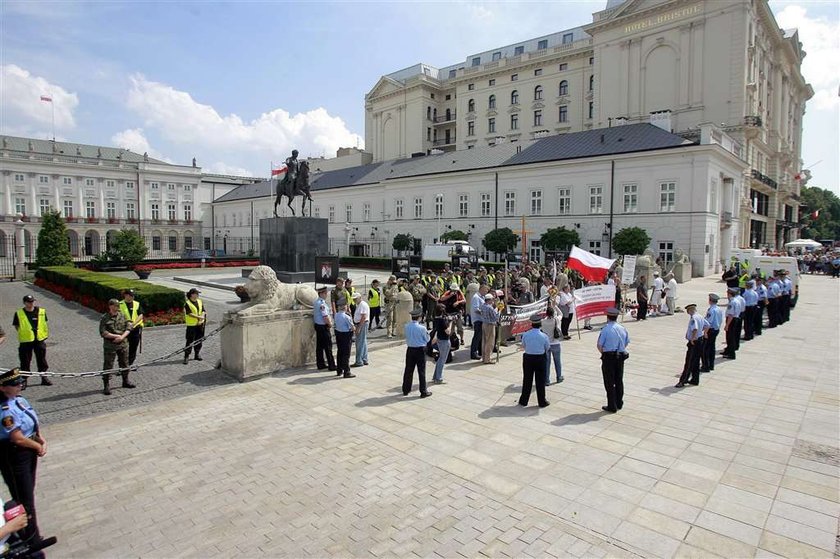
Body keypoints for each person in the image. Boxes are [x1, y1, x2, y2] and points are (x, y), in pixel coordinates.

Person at [0, 368, 46, 544]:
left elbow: (31, 420)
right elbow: (16, 438)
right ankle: (31, 537)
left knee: (27, 491)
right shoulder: (5, 410)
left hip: (29, 449)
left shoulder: (19, 400)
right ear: (3, 388)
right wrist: (36, 445)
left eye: (19, 382)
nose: (19, 385)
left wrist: (40, 439)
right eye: (14, 384)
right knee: (23, 496)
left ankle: (27, 529)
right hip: (14, 454)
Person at [12, 295, 52, 387]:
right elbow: (16, 326)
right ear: (24, 303)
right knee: (25, 361)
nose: (31, 303)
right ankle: (24, 379)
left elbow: (44, 323)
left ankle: (43, 377)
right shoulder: (19, 313)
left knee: (42, 360)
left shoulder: (41, 311)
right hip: (26, 340)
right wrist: (25, 332)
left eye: (32, 301)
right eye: (29, 302)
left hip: (39, 339)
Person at [596, 307, 629, 413]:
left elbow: (599, 345)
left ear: (607, 317)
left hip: (609, 357)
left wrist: (604, 353)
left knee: (609, 382)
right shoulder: (622, 328)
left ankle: (612, 405)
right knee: (619, 380)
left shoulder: (605, 329)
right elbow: (626, 342)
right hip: (620, 357)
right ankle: (619, 402)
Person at [100, 298, 136, 395]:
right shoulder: (105, 318)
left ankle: (125, 381)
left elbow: (129, 327)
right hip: (110, 346)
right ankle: (106, 385)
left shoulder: (122, 315)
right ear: (110, 306)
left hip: (123, 344)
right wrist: (116, 336)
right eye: (115, 306)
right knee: (108, 365)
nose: (117, 307)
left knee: (124, 363)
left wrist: (122, 337)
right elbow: (103, 332)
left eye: (118, 306)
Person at [518, 315, 550, 408]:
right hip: (540, 358)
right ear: (540, 324)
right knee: (540, 381)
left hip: (528, 358)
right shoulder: (544, 336)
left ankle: (524, 400)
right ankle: (542, 401)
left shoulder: (526, 334)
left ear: (531, 324)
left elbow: (523, 345)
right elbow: (547, 348)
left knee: (527, 379)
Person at [402, 309, 431, 398]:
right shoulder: (422, 328)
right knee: (421, 371)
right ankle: (423, 391)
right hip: (420, 350)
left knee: (408, 370)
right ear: (419, 317)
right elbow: (427, 339)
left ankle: (406, 389)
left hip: (410, 349)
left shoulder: (406, 326)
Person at [676, 304, 705, 387]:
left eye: (688, 311)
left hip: (694, 342)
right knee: (696, 361)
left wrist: (692, 338)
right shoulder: (700, 316)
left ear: (690, 310)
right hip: (699, 340)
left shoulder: (694, 318)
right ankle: (695, 380)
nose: (687, 312)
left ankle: (682, 381)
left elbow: (695, 328)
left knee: (689, 362)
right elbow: (707, 325)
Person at [312, 286, 336, 371]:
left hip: (318, 326)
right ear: (321, 293)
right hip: (323, 327)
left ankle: (320, 364)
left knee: (320, 346)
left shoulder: (316, 302)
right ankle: (331, 365)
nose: (327, 295)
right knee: (328, 347)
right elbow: (325, 316)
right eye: (325, 293)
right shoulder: (322, 304)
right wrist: (329, 324)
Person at [119, 289, 144, 367]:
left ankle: (129, 364)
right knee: (123, 348)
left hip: (135, 329)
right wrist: (127, 323)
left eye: (132, 296)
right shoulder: (120, 304)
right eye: (130, 295)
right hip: (124, 329)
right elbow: (117, 316)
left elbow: (141, 315)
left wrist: (134, 324)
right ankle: (122, 365)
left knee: (133, 348)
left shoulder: (137, 304)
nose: (132, 297)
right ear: (125, 295)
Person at [701, 293, 723, 372]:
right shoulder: (719, 309)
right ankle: (711, 365)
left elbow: (708, 323)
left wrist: (705, 333)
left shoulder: (711, 310)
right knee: (712, 348)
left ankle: (705, 366)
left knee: (705, 349)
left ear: (710, 300)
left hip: (710, 330)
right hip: (716, 330)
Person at [183, 288, 206, 364]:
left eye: (198, 294)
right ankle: (186, 356)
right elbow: (189, 313)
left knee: (199, 340)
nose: (197, 295)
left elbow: (203, 310)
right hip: (191, 325)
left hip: (200, 324)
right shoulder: (187, 303)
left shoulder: (199, 301)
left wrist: (201, 318)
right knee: (189, 341)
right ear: (192, 294)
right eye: (196, 293)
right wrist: (199, 318)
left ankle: (197, 354)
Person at [541, 306, 563, 385]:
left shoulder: (543, 321)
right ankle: (559, 377)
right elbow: (561, 314)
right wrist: (555, 306)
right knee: (557, 361)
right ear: (553, 313)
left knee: (547, 363)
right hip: (556, 343)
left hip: (546, 344)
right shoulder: (556, 320)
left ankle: (547, 380)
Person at [333, 302, 355, 379]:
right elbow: (352, 327)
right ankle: (347, 372)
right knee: (346, 354)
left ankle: (339, 370)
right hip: (346, 335)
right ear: (345, 307)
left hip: (338, 334)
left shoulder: (336, 315)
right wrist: (350, 315)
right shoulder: (346, 316)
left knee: (340, 352)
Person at [431, 304, 451, 385]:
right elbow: (448, 331)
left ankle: (436, 376)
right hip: (444, 341)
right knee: (442, 360)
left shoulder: (436, 319)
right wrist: (451, 323)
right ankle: (438, 378)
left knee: (440, 359)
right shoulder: (442, 320)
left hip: (440, 340)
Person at [721, 287, 742, 359]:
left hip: (732, 320)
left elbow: (730, 315)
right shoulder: (736, 301)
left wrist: (727, 325)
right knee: (731, 336)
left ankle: (731, 353)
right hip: (735, 319)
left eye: (728, 293)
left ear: (730, 294)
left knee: (730, 337)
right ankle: (728, 351)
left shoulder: (732, 302)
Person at [480, 293, 500, 364]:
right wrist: (498, 309)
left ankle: (484, 357)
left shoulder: (482, 306)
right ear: (490, 300)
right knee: (490, 342)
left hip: (484, 324)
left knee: (484, 341)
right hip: (490, 325)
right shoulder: (489, 307)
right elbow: (495, 317)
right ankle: (487, 359)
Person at [469, 285, 488, 360]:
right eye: (486, 290)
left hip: (482, 320)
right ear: (481, 289)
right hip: (477, 320)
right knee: (477, 337)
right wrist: (484, 313)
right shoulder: (476, 297)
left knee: (480, 337)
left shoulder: (482, 297)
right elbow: (476, 309)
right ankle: (473, 353)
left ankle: (480, 351)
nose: (486, 292)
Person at [351, 292, 369, 367]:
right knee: (363, 342)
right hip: (362, 323)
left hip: (361, 324)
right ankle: (364, 359)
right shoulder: (360, 304)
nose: (354, 300)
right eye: (354, 299)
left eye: (355, 299)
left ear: (360, 297)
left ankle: (359, 361)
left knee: (359, 343)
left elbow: (363, 317)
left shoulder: (362, 305)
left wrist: (358, 328)